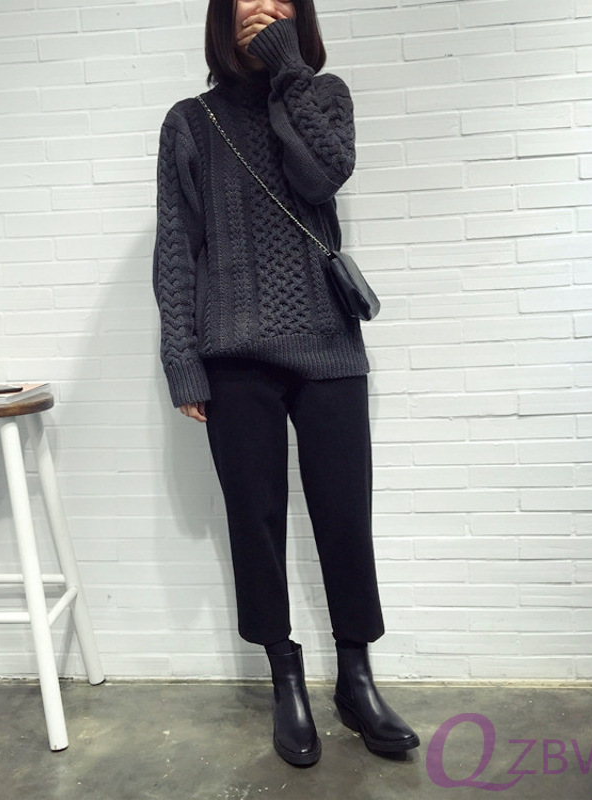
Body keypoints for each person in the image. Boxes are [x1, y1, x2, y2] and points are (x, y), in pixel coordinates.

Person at [153, 0, 419, 767]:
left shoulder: (323, 96)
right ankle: (285, 678)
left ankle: (356, 679)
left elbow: (322, 175)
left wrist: (288, 72)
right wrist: (182, 360)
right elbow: (176, 250)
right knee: (256, 522)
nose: (263, 5)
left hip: (329, 344)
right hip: (234, 355)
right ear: (221, 12)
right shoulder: (190, 122)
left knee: (346, 516)